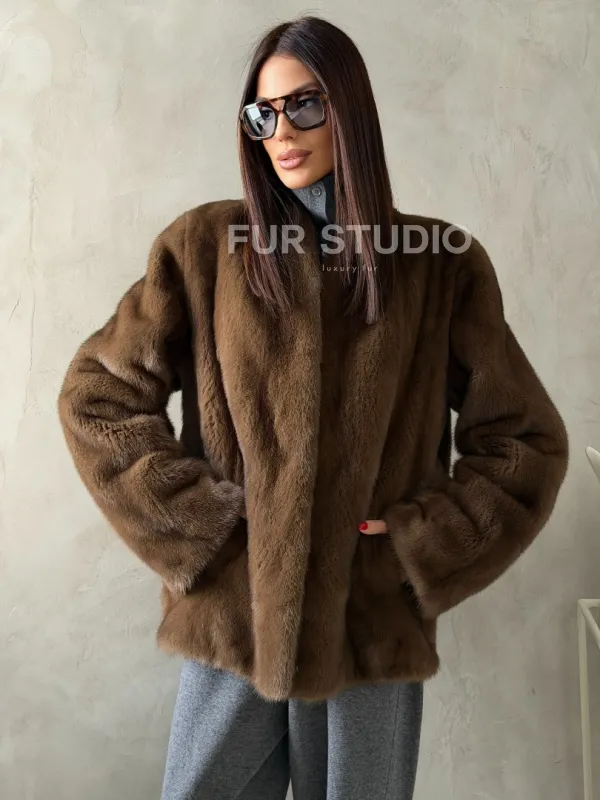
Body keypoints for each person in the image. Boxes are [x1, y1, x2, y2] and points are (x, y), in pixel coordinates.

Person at [57, 14, 570, 800]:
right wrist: (206, 527)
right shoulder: (203, 251)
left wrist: (418, 545)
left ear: (348, 108)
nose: (282, 132)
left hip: (369, 628)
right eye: (262, 115)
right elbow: (97, 399)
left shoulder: (439, 267)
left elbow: (525, 443)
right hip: (234, 624)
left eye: (303, 104)